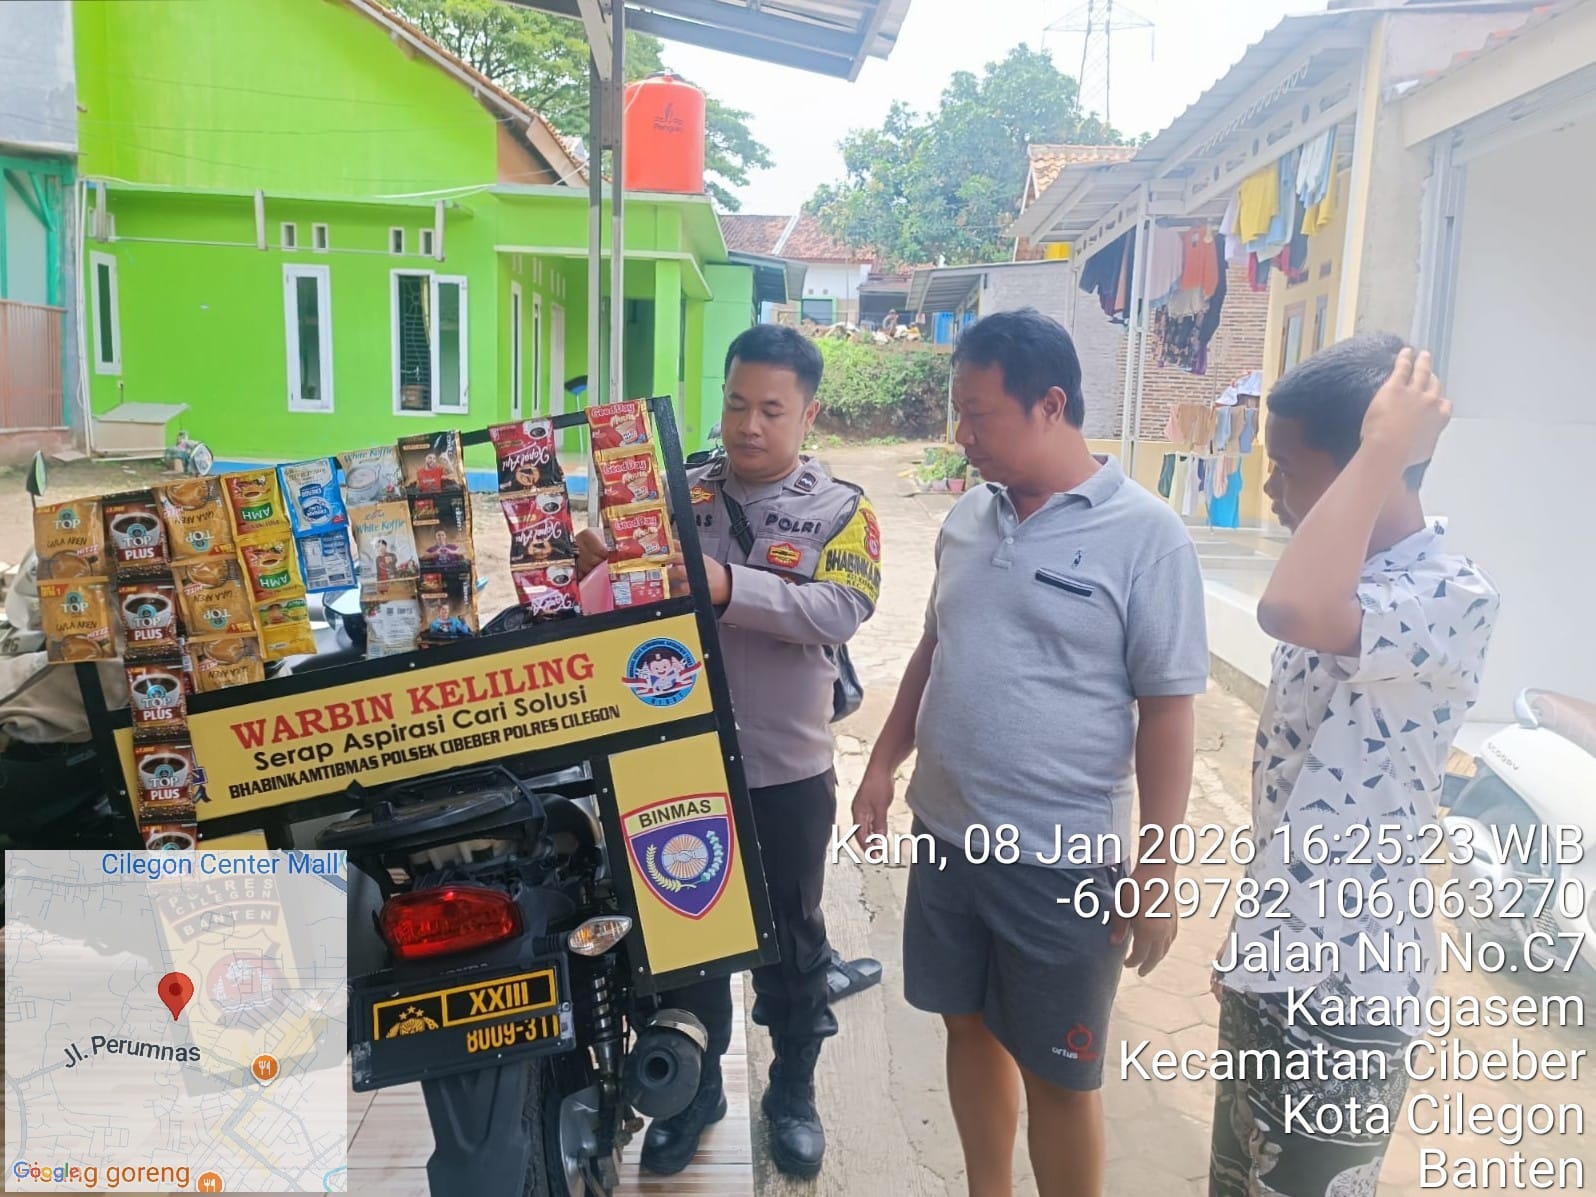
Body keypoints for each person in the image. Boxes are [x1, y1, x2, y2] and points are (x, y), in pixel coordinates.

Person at [851, 308, 1208, 1197]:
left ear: (1050, 405)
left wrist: (1158, 867)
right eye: (958, 414)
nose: (962, 437)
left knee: (1060, 1073)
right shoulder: (970, 517)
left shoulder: (1146, 534)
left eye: (979, 415)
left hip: (1060, 860)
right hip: (948, 835)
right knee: (964, 1024)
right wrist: (884, 762)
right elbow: (936, 645)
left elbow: (1169, 712)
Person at [575, 324, 882, 1179]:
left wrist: (728, 586)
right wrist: (603, 570)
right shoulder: (676, 492)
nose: (749, 424)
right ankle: (695, 1091)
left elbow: (842, 608)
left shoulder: (842, 510)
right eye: (737, 403)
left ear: (808, 414)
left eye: (771, 410)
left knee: (793, 940)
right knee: (685, 939)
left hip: (786, 771)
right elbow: (627, 609)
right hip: (677, 765)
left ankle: (793, 1092)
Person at [1208, 336, 1499, 1197]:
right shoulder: (1342, 581)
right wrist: (1252, 935)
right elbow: (1295, 798)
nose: (1270, 488)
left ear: (1369, 467)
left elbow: (1289, 608)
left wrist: (1382, 447)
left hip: (1349, 995)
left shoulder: (1450, 595)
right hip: (1275, 961)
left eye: (1288, 467)